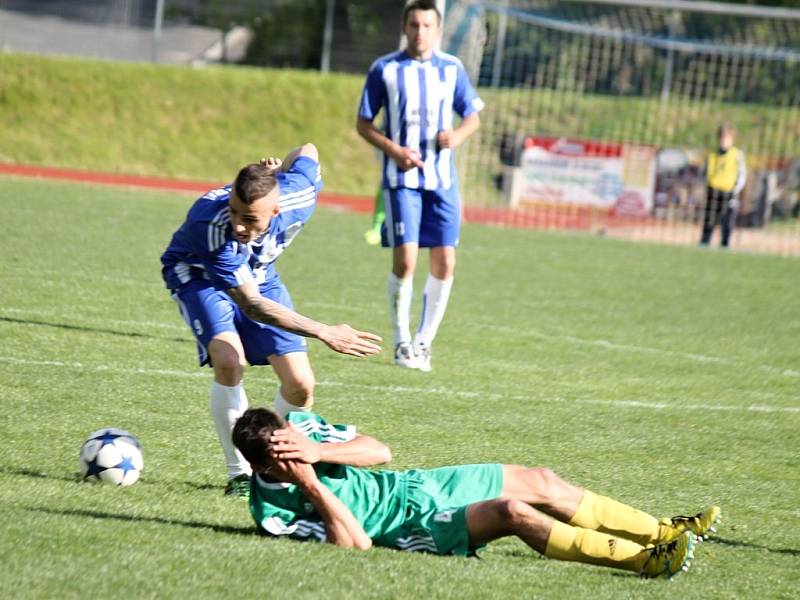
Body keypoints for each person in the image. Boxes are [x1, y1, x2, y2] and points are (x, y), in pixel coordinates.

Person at [232, 407, 721, 579]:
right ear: (263, 466)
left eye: (292, 442)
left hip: (418, 486)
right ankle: (644, 561)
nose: (294, 451)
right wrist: (312, 486)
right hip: (408, 529)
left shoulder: (301, 432)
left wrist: (318, 448)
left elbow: (380, 451)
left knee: (542, 480)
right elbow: (355, 546)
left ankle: (667, 530)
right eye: (285, 455)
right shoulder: (272, 512)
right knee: (512, 510)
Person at [160, 144, 382, 498]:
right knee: (229, 360)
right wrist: (324, 331)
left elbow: (308, 150)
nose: (237, 224)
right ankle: (241, 474)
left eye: (249, 219)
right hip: (199, 274)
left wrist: (282, 169)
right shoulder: (211, 226)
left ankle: (270, 465)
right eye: (233, 211)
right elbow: (252, 305)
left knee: (301, 385)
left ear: (276, 209)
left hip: (260, 276)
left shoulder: (300, 194)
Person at [356, 0, 483, 372]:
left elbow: (472, 116)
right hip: (401, 182)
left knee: (445, 259)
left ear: (437, 29)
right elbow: (364, 123)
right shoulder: (385, 69)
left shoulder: (451, 68)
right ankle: (401, 342)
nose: (420, 32)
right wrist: (394, 151)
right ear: (405, 27)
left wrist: (456, 137)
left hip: (443, 182)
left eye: (427, 26)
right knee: (406, 259)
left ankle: (424, 341)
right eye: (414, 25)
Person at [700, 123, 747, 248]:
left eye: (726, 138)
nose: (723, 141)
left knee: (727, 223)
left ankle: (725, 247)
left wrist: (735, 190)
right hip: (713, 192)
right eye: (722, 138)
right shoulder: (712, 155)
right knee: (709, 222)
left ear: (732, 139)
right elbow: (704, 172)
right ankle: (704, 245)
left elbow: (742, 175)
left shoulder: (737, 155)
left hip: (729, 193)